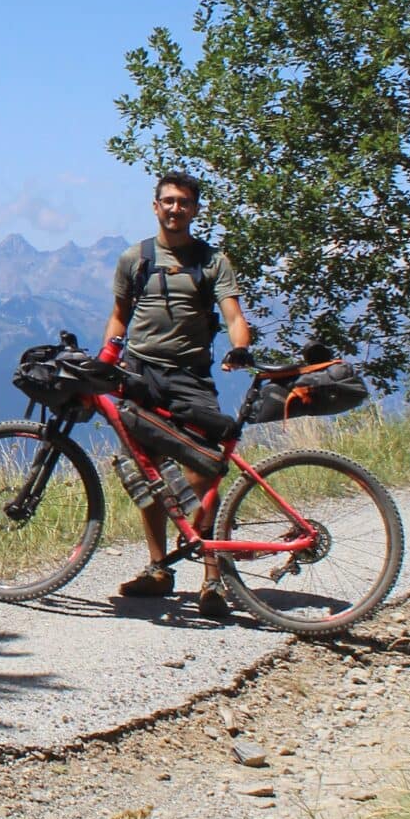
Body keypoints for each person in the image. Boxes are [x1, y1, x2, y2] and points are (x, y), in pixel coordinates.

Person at [102, 170, 254, 615]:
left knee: (203, 473)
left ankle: (213, 578)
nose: (175, 208)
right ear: (155, 206)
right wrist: (106, 361)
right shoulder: (135, 258)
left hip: (192, 378)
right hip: (140, 375)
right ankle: (159, 569)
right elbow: (118, 317)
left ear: (194, 209)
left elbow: (233, 314)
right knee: (147, 471)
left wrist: (241, 348)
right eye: (167, 201)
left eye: (183, 202)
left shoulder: (212, 261)